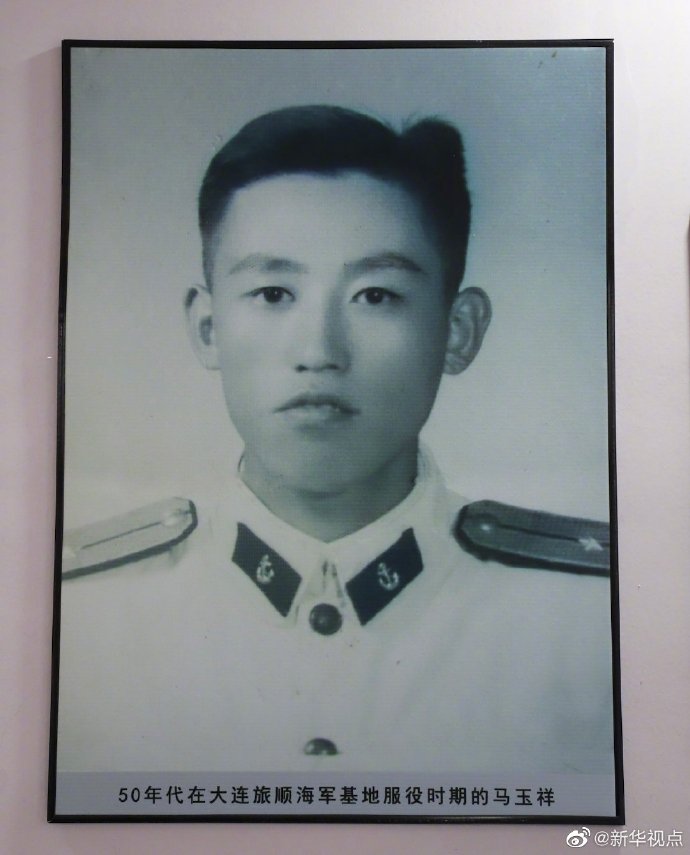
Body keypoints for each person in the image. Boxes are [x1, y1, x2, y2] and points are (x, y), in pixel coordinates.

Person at [57, 106, 614, 778]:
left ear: (458, 330)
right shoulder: (77, 617)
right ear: (208, 328)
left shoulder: (593, 626)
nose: (319, 351)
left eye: (375, 295)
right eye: (272, 293)